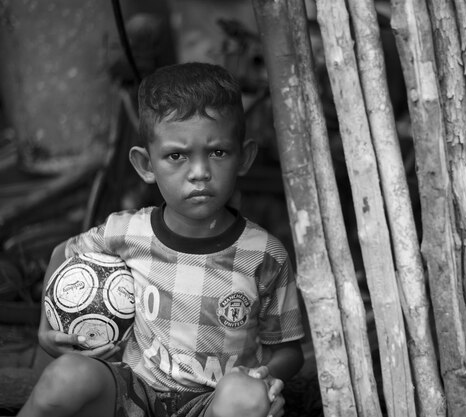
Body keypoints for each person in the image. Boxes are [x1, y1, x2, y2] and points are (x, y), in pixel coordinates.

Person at [18, 62, 305, 417]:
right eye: (176, 156)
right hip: (131, 395)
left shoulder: (264, 255)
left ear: (244, 157)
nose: (199, 172)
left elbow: (290, 351)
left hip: (213, 404)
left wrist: (265, 379)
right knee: (65, 377)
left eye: (217, 152)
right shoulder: (125, 233)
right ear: (145, 165)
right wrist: (47, 331)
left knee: (245, 396)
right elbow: (63, 253)